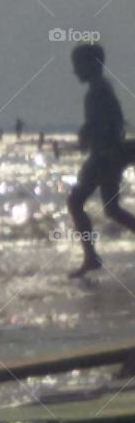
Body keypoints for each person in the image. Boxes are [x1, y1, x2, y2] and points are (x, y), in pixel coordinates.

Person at [67, 43, 135, 277]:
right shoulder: (100, 89)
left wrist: (93, 138)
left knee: (76, 202)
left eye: (78, 65)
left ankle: (91, 257)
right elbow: (110, 123)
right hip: (107, 156)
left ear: (93, 65)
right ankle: (91, 257)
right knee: (112, 209)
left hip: (105, 157)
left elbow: (111, 125)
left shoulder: (99, 92)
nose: (75, 70)